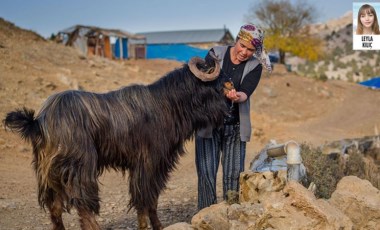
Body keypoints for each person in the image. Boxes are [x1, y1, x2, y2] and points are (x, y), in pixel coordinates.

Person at [195, 23, 272, 210]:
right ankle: (206, 215)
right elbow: (204, 81)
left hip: (235, 126)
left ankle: (231, 214)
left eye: (250, 49)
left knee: (233, 175)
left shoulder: (255, 65)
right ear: (237, 40)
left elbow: (246, 91)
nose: (245, 52)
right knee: (206, 173)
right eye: (242, 46)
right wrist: (220, 90)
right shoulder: (215, 53)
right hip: (209, 124)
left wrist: (237, 96)